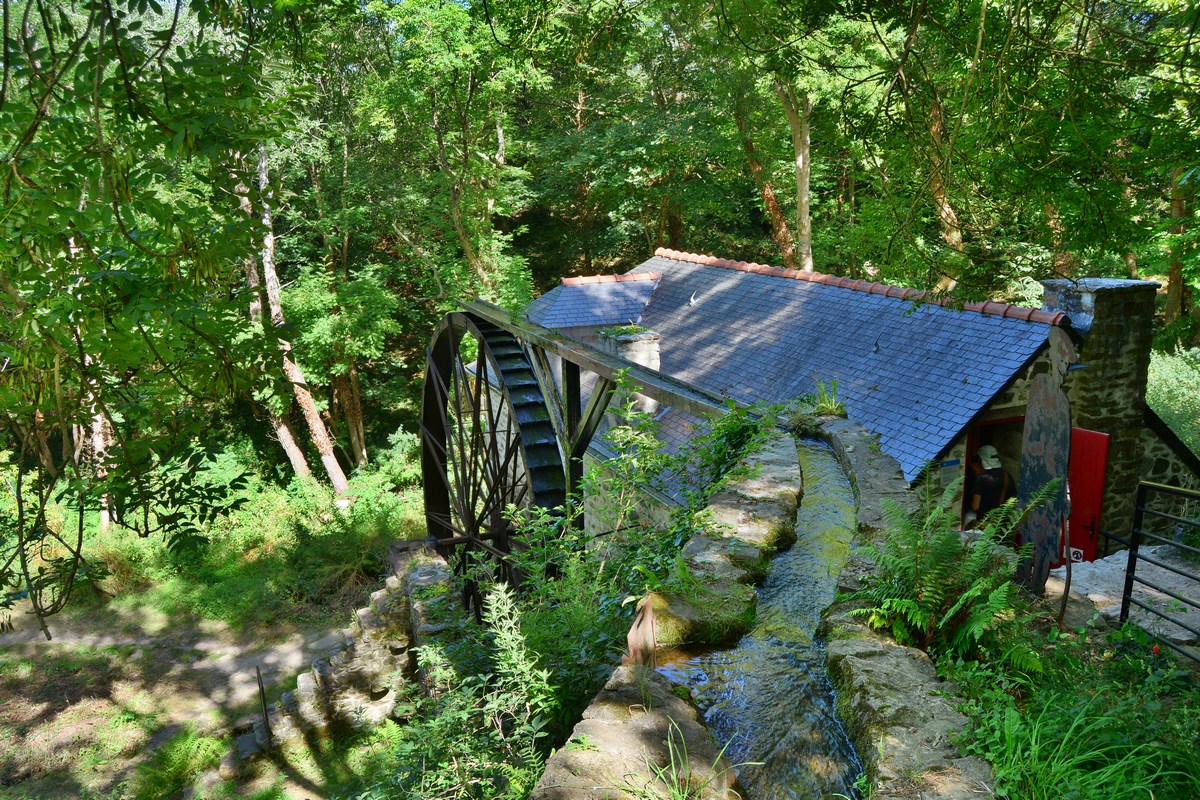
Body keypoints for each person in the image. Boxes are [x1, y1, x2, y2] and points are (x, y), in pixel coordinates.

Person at [965, 445, 1013, 528]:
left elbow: (975, 506)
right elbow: (1012, 501)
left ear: (981, 459)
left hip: (984, 525)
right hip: (1001, 524)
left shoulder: (981, 478)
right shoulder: (1007, 476)